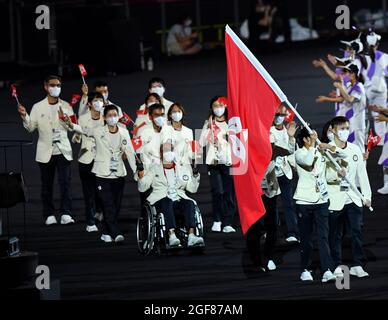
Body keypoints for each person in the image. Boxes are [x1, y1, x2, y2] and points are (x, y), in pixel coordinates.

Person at [17, 75, 82, 225]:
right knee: (47, 186)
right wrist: (24, 116)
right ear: (46, 87)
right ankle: (49, 214)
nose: (56, 88)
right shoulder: (37, 107)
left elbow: (73, 127)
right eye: (53, 85)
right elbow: (30, 128)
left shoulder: (66, 106)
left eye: (58, 85)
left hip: (63, 150)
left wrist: (65, 119)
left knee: (65, 183)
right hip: (45, 151)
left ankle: (66, 213)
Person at [326, 116, 372, 278]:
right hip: (335, 199)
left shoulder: (355, 149)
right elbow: (323, 176)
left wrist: (367, 196)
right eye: (341, 129)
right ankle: (336, 265)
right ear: (333, 130)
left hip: (353, 197)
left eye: (347, 128)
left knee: (356, 231)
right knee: (335, 234)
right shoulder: (326, 150)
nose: (345, 131)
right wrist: (337, 176)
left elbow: (362, 174)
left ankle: (357, 264)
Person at [138, 142, 204, 247]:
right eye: (166, 151)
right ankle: (171, 235)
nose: (169, 153)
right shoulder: (154, 168)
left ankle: (191, 236)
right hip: (161, 200)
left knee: (189, 203)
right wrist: (140, 172)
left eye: (171, 150)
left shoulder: (182, 169)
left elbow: (192, 189)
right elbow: (142, 188)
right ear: (161, 154)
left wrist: (195, 174)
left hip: (178, 199)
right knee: (167, 201)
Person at [294, 127, 336, 283]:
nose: (314, 137)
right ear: (305, 139)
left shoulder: (320, 152)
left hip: (322, 200)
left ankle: (327, 269)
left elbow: (327, 171)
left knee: (323, 237)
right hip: (304, 201)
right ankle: (305, 269)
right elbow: (308, 161)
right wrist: (313, 147)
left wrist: (338, 173)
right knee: (306, 238)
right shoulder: (299, 153)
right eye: (311, 135)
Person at [90, 104, 137, 243]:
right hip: (102, 174)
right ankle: (116, 233)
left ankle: (106, 232)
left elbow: (129, 152)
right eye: (109, 115)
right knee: (108, 203)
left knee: (115, 205)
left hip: (118, 174)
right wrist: (71, 124)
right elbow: (83, 130)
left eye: (115, 115)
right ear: (104, 117)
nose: (112, 118)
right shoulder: (98, 131)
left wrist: (135, 171)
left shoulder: (124, 132)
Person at [199, 96, 237, 233]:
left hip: (228, 163)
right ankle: (217, 219)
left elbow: (239, 143)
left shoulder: (231, 123)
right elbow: (201, 143)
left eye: (221, 105)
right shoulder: (208, 122)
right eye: (215, 106)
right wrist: (208, 129)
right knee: (218, 192)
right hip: (213, 163)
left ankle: (228, 222)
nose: (218, 108)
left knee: (229, 193)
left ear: (226, 107)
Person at [317, 64, 367, 155]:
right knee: (350, 148)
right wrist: (334, 96)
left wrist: (340, 87)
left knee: (359, 150)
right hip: (351, 122)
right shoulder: (351, 86)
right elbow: (343, 98)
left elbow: (349, 99)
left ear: (353, 74)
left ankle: (362, 168)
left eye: (346, 73)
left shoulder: (359, 86)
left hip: (358, 124)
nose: (344, 75)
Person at [72, 92, 105, 232]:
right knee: (88, 193)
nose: (99, 103)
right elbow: (77, 136)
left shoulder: (107, 117)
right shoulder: (83, 118)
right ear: (90, 103)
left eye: (101, 100)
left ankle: (101, 214)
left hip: (102, 159)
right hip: (86, 159)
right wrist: (76, 137)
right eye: (96, 100)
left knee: (101, 192)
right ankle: (90, 222)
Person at [270, 105, 298, 242]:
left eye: (281, 115)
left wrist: (292, 138)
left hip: (285, 172)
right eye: (276, 114)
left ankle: (292, 232)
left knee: (288, 203)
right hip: (272, 173)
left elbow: (292, 151)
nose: (278, 117)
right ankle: (272, 231)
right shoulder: (268, 130)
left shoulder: (288, 131)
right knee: (272, 204)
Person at [362, 31, 388, 144]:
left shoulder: (363, 57)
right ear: (377, 44)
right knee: (380, 112)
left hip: (368, 89)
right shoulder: (383, 56)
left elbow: (361, 74)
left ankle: (363, 137)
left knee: (365, 113)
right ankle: (382, 139)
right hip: (380, 89)